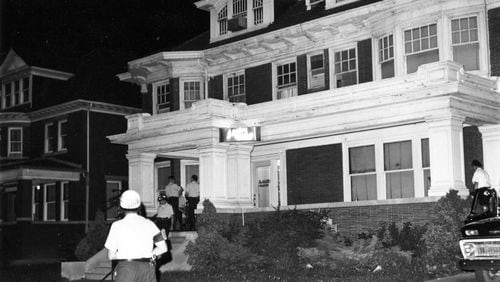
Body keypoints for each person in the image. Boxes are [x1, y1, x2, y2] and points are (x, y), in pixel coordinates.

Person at [104, 190, 167, 282]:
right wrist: (150, 254)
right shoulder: (150, 224)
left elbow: (111, 255)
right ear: (139, 206)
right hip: (146, 269)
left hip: (126, 270)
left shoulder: (116, 226)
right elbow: (163, 248)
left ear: (121, 206)